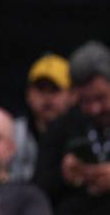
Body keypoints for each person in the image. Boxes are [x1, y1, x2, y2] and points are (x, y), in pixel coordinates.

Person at [34, 40, 110, 214]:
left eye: (101, 98)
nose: (94, 109)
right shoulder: (63, 126)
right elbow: (37, 190)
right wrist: (63, 175)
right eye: (85, 101)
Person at [11, 53, 74, 182]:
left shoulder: (82, 132)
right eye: (40, 89)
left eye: (55, 89)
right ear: (28, 94)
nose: (47, 97)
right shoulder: (12, 132)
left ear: (72, 95)